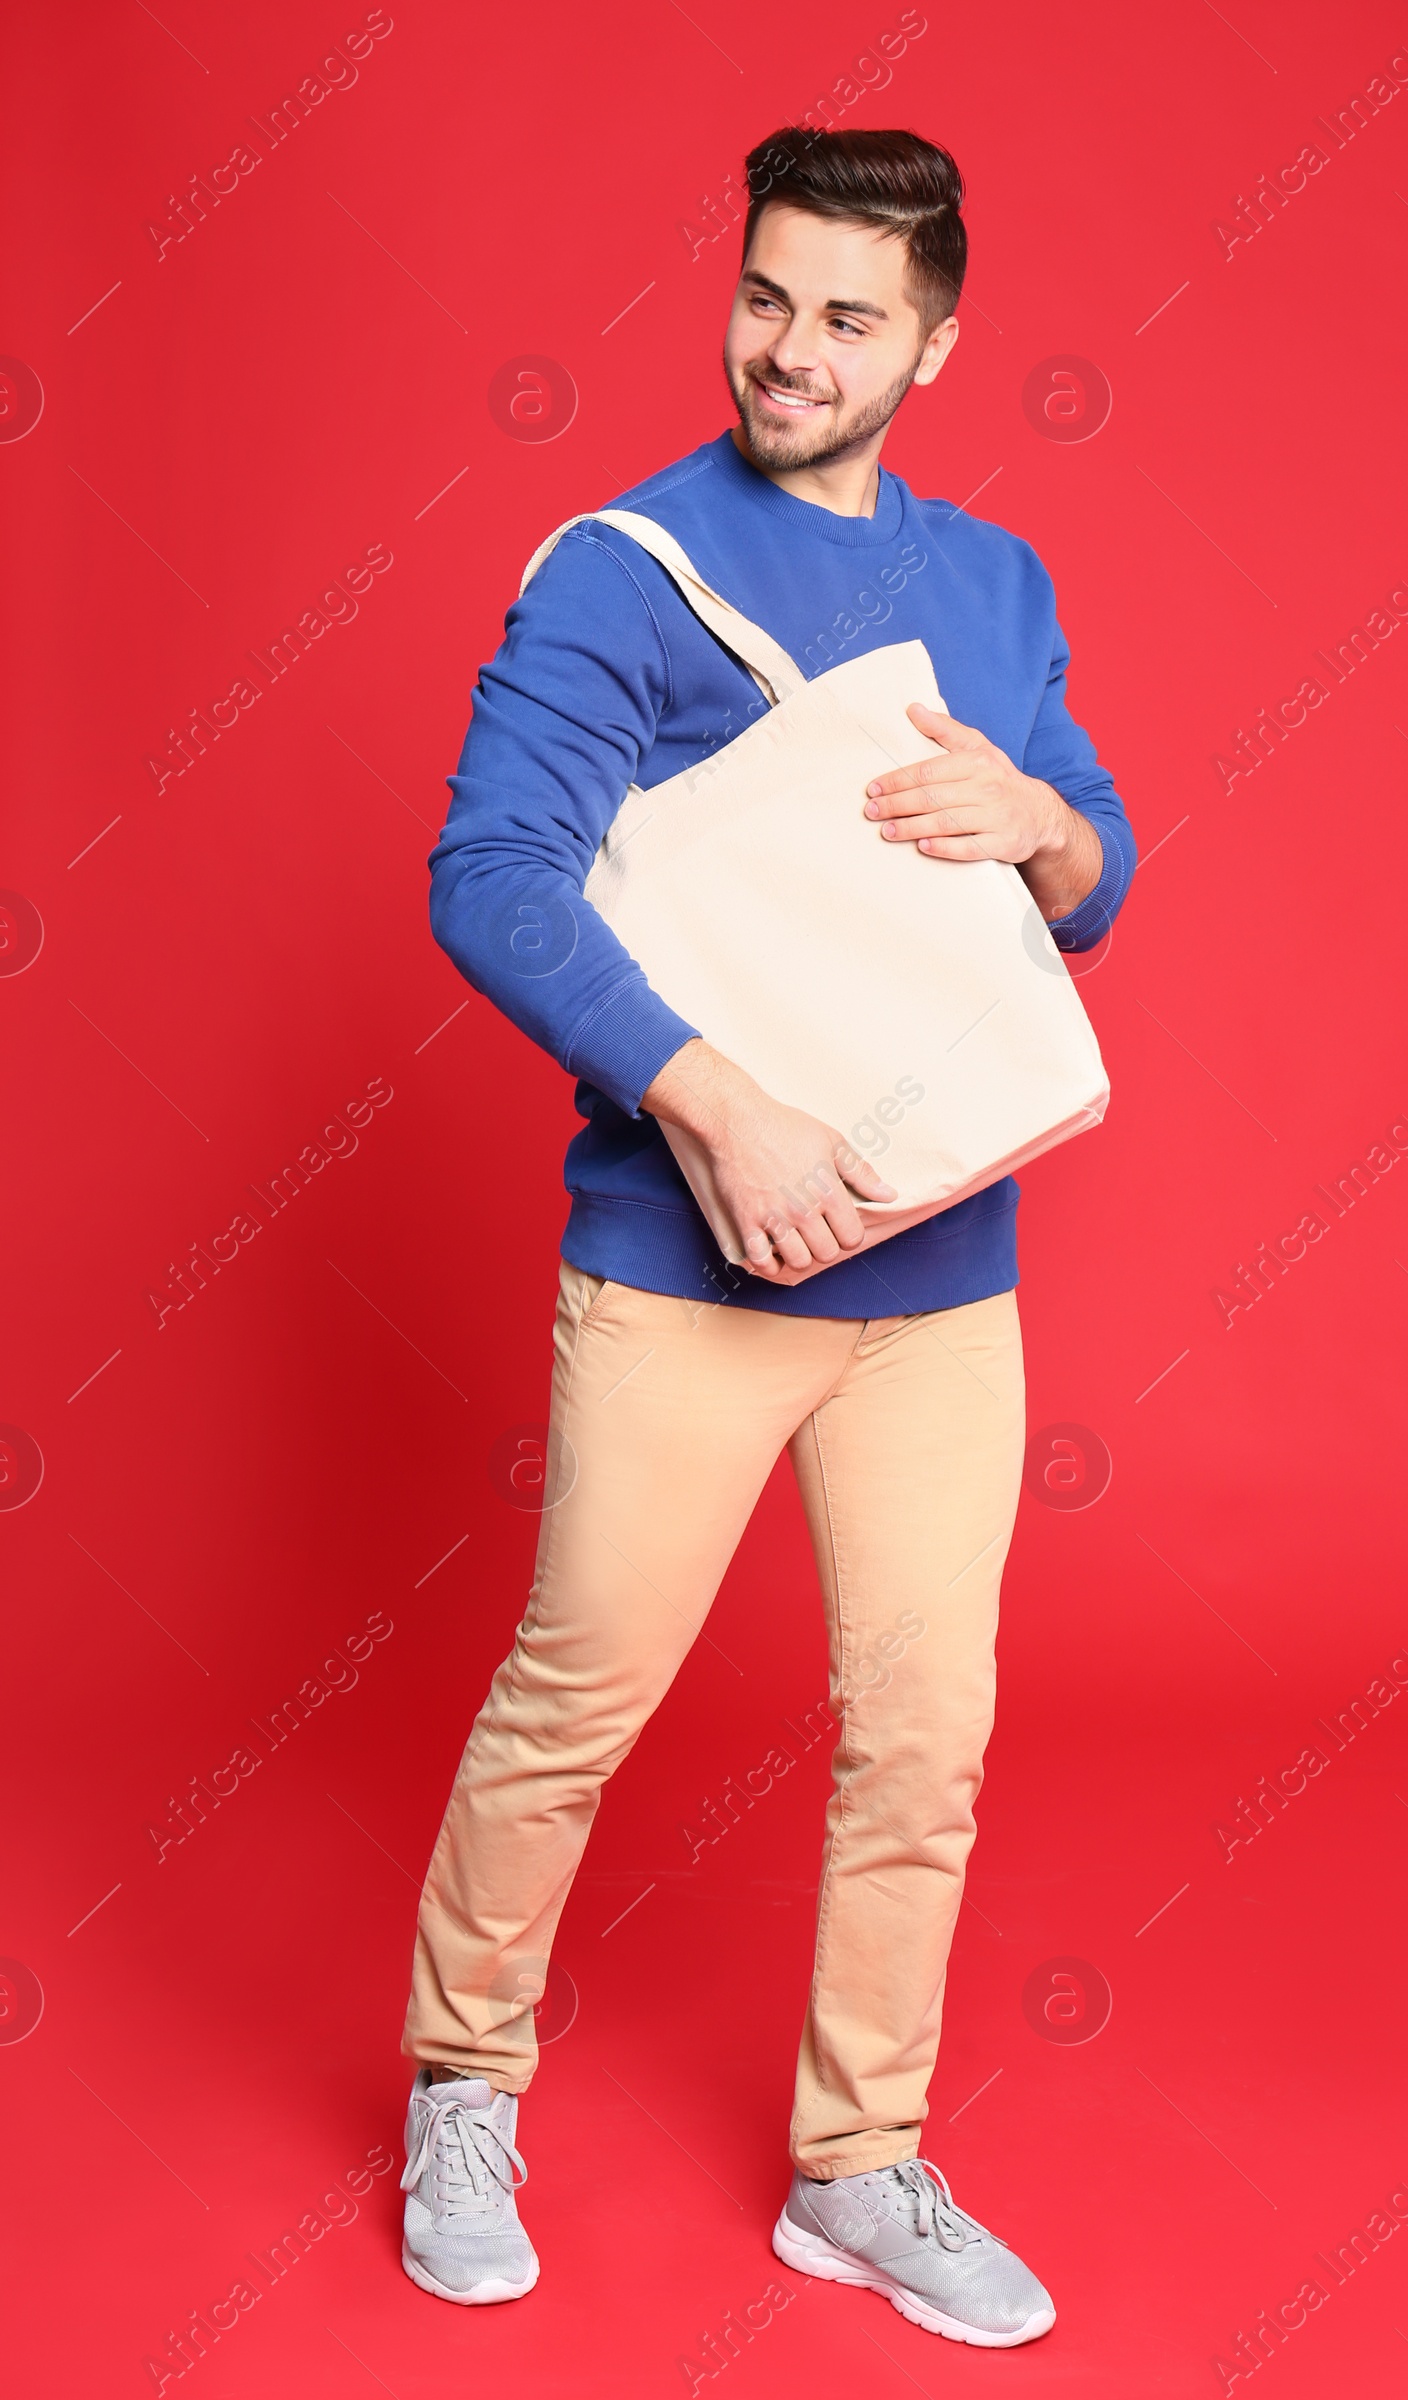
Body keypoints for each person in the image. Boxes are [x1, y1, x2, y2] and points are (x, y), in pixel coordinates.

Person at [398, 124, 1135, 2349]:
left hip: (941, 1273)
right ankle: (459, 2077)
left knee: (927, 1728)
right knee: (575, 1697)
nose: (784, 349)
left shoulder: (992, 581)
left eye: (840, 315)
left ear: (932, 339)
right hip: (682, 1253)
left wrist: (1051, 833)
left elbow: (1089, 849)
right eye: (761, 298)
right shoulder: (620, 570)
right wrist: (705, 1103)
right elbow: (490, 874)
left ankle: (860, 2163)